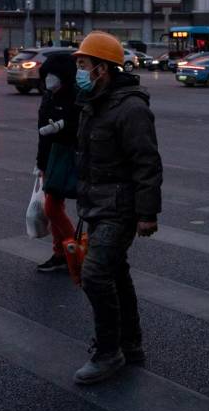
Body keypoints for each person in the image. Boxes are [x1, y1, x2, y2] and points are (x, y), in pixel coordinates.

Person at [71, 31, 163, 385]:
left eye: (84, 64)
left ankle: (109, 351)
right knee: (116, 273)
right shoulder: (93, 101)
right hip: (97, 204)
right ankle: (131, 343)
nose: (79, 69)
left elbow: (147, 163)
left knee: (95, 275)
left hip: (120, 208)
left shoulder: (131, 108)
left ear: (103, 68)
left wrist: (147, 213)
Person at [35, 51, 82, 272]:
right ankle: (61, 252)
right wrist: (40, 162)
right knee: (54, 206)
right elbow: (41, 134)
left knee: (53, 208)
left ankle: (73, 247)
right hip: (50, 156)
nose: (49, 79)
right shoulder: (48, 96)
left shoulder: (75, 96)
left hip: (66, 155)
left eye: (53, 75)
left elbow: (77, 128)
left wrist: (61, 127)